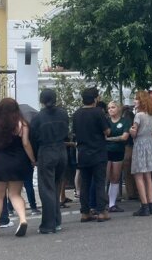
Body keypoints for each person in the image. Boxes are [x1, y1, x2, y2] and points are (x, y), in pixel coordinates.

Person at [0, 98, 36, 238]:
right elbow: (26, 144)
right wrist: (32, 160)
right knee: (15, 194)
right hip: (18, 162)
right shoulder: (22, 124)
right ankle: (23, 220)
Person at [30, 89, 69, 234]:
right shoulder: (63, 114)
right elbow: (67, 131)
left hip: (46, 151)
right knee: (56, 187)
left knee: (46, 189)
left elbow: (33, 139)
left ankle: (48, 224)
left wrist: (34, 157)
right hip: (61, 150)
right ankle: (57, 221)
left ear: (41, 100)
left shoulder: (38, 118)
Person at [72, 87, 110, 222]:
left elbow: (74, 133)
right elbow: (107, 131)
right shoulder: (98, 112)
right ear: (95, 99)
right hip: (98, 152)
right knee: (99, 182)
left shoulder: (76, 114)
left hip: (83, 153)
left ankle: (85, 212)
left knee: (85, 183)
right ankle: (101, 211)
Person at [130, 90, 152, 216]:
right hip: (149, 143)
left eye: (136, 98)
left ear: (141, 101)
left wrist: (131, 131)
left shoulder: (138, 115)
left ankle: (144, 205)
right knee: (148, 175)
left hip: (140, 144)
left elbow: (134, 131)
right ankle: (151, 204)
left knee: (138, 175)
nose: (135, 100)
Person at [105, 101, 130, 213]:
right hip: (106, 152)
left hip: (118, 151)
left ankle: (112, 204)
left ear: (118, 109)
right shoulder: (106, 121)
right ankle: (101, 202)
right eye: (109, 108)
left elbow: (124, 137)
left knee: (115, 177)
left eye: (113, 107)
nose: (110, 110)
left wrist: (109, 139)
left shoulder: (125, 121)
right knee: (105, 177)